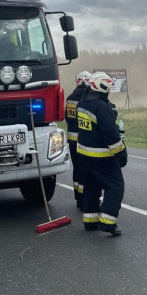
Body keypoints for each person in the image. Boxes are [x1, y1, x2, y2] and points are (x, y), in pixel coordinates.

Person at [76, 71, 127, 235]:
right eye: (109, 88)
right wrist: (122, 155)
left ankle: (90, 222)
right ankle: (108, 221)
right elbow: (111, 136)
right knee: (116, 187)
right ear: (104, 88)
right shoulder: (102, 107)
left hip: (83, 156)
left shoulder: (82, 103)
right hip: (101, 157)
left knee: (91, 188)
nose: (110, 91)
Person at [65, 71, 91, 208]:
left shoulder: (70, 98)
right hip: (83, 141)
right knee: (85, 171)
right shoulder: (87, 99)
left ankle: (78, 198)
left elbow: (67, 118)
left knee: (76, 169)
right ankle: (84, 199)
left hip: (71, 140)